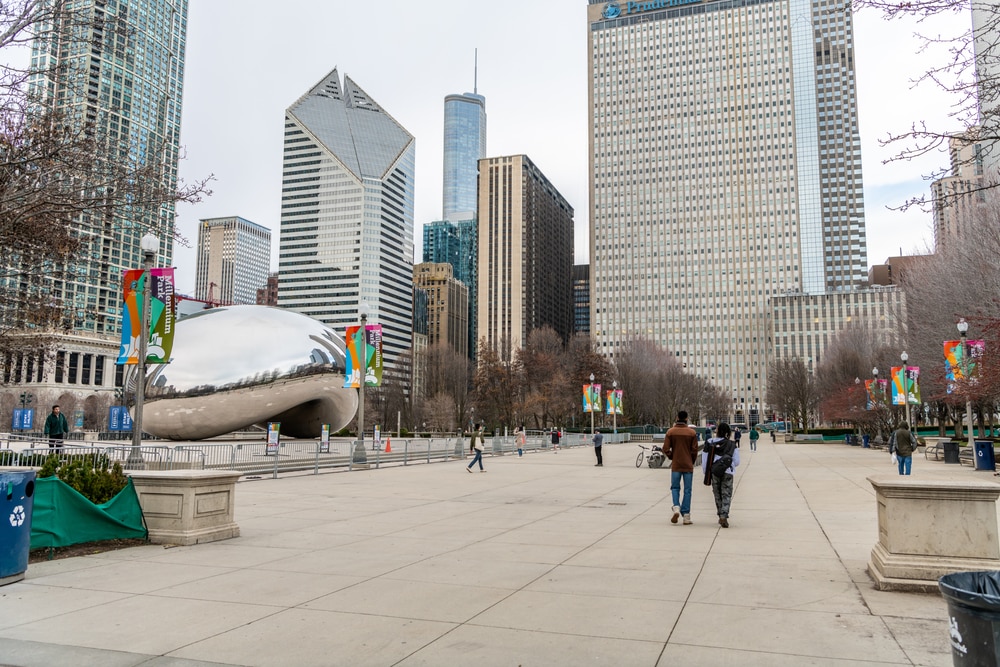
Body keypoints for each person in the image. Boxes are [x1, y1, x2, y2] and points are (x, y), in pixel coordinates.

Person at [664, 411, 700, 525]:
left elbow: (665, 449)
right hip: (688, 465)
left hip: (676, 465)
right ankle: (686, 515)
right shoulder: (691, 433)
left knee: (675, 488)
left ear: (677, 418)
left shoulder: (670, 432)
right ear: (687, 419)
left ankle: (676, 507)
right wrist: (691, 461)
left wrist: (672, 457)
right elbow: (695, 450)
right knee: (687, 490)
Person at [703, 422, 740, 528]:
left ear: (717, 431)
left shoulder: (710, 442)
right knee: (726, 494)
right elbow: (737, 461)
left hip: (714, 471)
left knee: (717, 494)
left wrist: (706, 472)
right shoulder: (732, 444)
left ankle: (720, 514)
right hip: (728, 471)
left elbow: (705, 459)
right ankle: (724, 515)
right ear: (728, 432)